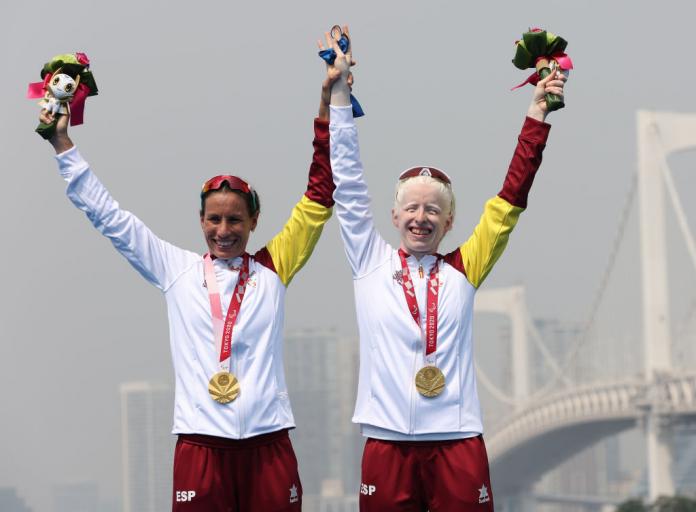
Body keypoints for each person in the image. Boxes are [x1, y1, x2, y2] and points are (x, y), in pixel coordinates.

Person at [39, 67, 343, 511]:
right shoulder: (175, 268)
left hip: (268, 445)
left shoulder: (275, 264)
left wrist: (326, 106)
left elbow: (319, 195)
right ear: (201, 221)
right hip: (200, 449)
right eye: (214, 220)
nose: (223, 231)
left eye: (235, 220)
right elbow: (109, 216)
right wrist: (61, 144)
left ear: (254, 222)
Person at [322, 26, 567, 511]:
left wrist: (537, 111)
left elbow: (510, 199)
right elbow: (347, 185)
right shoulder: (369, 261)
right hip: (387, 442)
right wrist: (339, 94)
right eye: (411, 208)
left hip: (457, 440)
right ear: (394, 217)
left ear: (449, 221)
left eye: (433, 210)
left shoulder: (465, 267)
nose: (421, 217)